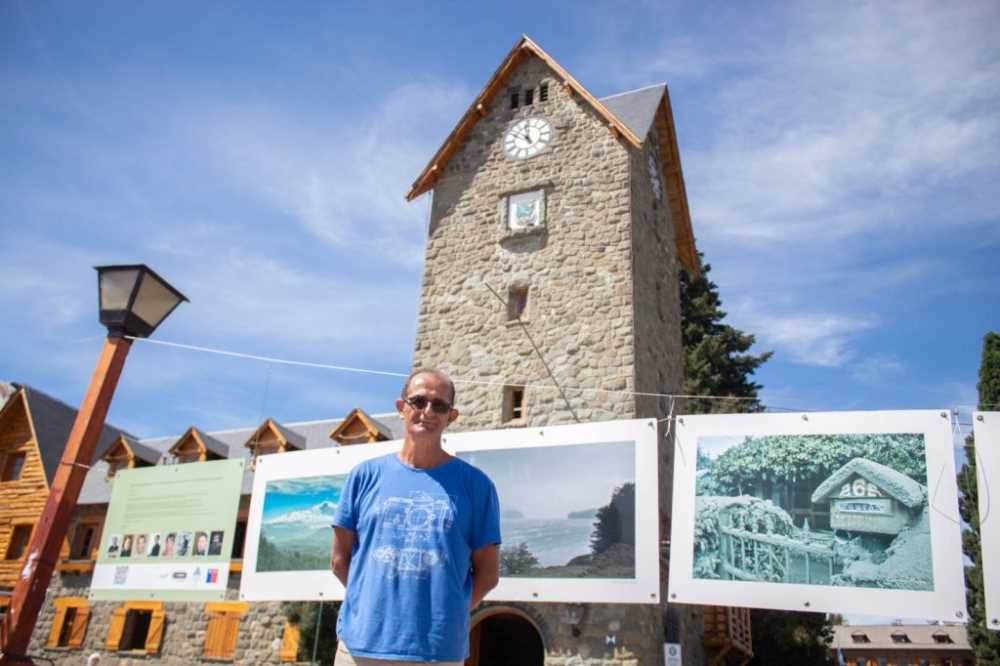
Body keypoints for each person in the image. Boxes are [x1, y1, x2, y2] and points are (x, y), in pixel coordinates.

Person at [331, 368, 501, 666]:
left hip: (437, 652)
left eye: (439, 405)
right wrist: (371, 607)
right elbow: (339, 560)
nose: (427, 411)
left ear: (452, 416)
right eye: (418, 401)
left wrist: (448, 614)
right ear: (401, 408)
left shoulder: (477, 486)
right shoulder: (364, 476)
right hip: (361, 648)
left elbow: (487, 574)